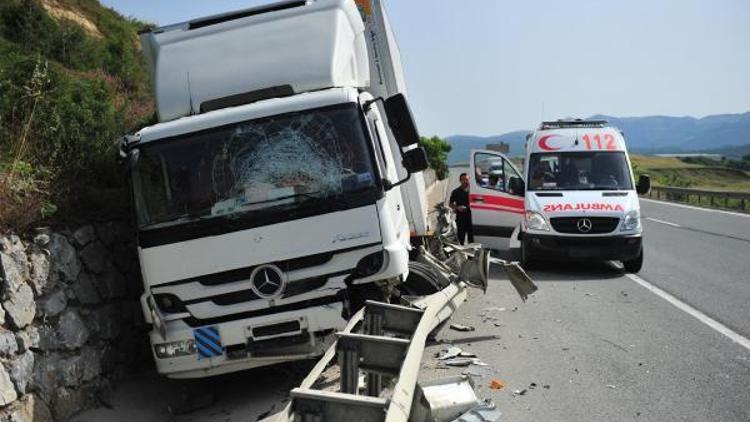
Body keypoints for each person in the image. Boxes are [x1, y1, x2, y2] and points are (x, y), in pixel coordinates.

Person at [449, 173, 474, 244]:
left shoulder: (473, 191)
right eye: (463, 179)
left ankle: (471, 255)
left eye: (467, 179)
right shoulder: (455, 192)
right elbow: (450, 204)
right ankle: (461, 254)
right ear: (460, 180)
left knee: (471, 240)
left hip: (472, 218)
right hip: (461, 219)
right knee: (461, 239)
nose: (465, 181)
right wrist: (457, 207)